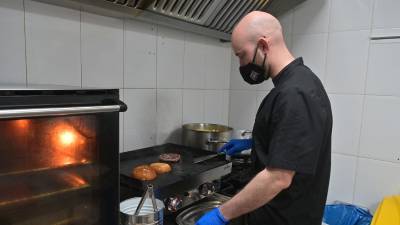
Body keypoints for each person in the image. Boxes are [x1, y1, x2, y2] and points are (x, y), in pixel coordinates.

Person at [195, 11, 332, 225]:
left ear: (263, 45)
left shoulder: (295, 93)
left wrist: (221, 214)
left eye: (242, 55)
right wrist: (253, 142)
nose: (242, 65)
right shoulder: (298, 83)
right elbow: (296, 144)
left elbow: (278, 177)